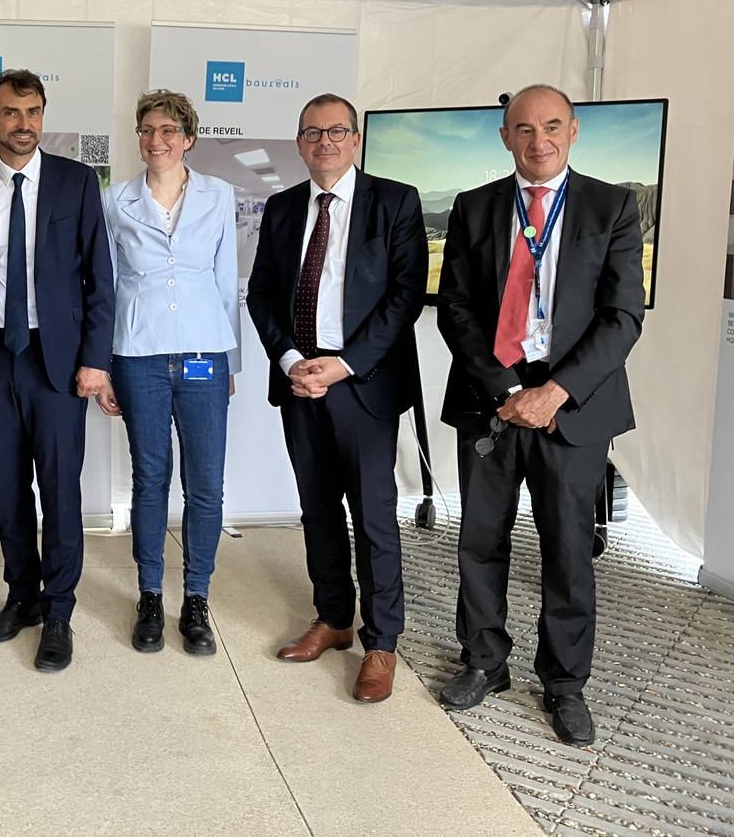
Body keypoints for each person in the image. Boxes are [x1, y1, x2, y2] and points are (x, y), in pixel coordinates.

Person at [435, 83, 644, 746]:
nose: (538, 139)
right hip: (490, 402)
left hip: (571, 406)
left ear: (574, 131)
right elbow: (457, 310)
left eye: (552, 125)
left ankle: (563, 684)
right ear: (505, 137)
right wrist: (505, 390)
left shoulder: (613, 206)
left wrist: (554, 393)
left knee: (568, 551)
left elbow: (622, 316)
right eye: (523, 129)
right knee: (480, 542)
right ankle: (485, 662)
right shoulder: (473, 208)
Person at [245, 92, 427, 703]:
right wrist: (295, 361)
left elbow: (405, 297)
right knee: (318, 510)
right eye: (312, 132)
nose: (325, 141)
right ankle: (334, 619)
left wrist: (343, 365)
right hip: (300, 382)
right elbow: (262, 295)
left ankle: (382, 643)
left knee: (373, 517)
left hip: (363, 384)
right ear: (299, 144)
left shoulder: (394, 201)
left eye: (337, 131)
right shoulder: (282, 207)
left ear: (355, 141)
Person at [0, 69, 114, 673]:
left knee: (59, 489)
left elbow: (100, 278)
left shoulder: (76, 182)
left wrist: (95, 361)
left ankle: (59, 609)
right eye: (11, 113)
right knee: (7, 487)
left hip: (58, 358)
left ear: (43, 116)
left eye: (34, 112)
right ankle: (20, 596)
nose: (24, 124)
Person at [96, 89, 240, 656]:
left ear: (189, 138)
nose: (156, 140)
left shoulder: (219, 195)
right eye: (147, 130)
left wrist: (233, 361)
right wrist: (103, 365)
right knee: (150, 477)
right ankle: (151, 594)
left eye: (168, 131)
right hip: (138, 353)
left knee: (206, 483)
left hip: (206, 351)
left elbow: (227, 283)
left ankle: (197, 598)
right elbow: (104, 289)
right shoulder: (115, 201)